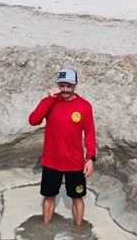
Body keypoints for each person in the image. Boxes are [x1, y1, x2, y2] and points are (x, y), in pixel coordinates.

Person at [29, 67, 96, 225]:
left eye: (69, 86)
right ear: (58, 85)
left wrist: (90, 158)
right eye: (62, 85)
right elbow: (33, 120)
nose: (65, 90)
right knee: (49, 197)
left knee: (77, 198)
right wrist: (49, 99)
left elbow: (90, 134)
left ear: (75, 85)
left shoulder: (84, 106)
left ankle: (78, 233)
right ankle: (46, 230)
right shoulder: (50, 102)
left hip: (74, 163)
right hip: (52, 162)